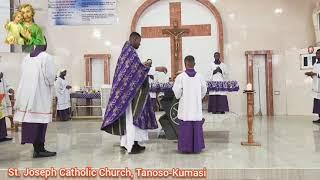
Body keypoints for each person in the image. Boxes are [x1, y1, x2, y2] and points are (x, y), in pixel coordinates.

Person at [101, 32, 167, 154]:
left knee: (130, 118)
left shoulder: (127, 51)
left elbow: (135, 69)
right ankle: (131, 144)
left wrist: (143, 65)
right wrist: (157, 68)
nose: (140, 44)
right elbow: (137, 69)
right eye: (139, 41)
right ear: (134, 39)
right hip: (130, 95)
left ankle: (130, 142)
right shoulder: (130, 52)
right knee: (132, 118)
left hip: (129, 93)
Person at [13, 41, 57, 158]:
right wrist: (53, 80)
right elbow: (50, 77)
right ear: (45, 45)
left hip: (27, 96)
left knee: (32, 121)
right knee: (40, 123)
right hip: (40, 96)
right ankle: (40, 149)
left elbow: (23, 74)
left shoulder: (26, 58)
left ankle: (36, 148)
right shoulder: (46, 57)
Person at [172, 55, 207, 153]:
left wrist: (184, 97)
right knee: (196, 124)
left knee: (185, 125)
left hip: (186, 108)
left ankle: (185, 148)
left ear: (185, 64)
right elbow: (204, 90)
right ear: (194, 64)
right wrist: (197, 98)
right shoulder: (200, 76)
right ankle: (196, 147)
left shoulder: (180, 77)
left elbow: (177, 93)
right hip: (196, 106)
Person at [306, 49, 320, 123]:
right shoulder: (315, 63)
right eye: (316, 54)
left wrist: (316, 74)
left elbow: (317, 74)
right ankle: (319, 117)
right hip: (316, 86)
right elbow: (314, 73)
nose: (317, 55)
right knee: (317, 103)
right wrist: (310, 74)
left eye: (318, 54)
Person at [0, 72, 14, 142]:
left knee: (2, 118)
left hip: (2, 99)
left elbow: (7, 85)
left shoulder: (2, 73)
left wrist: (10, 89)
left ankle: (2, 136)